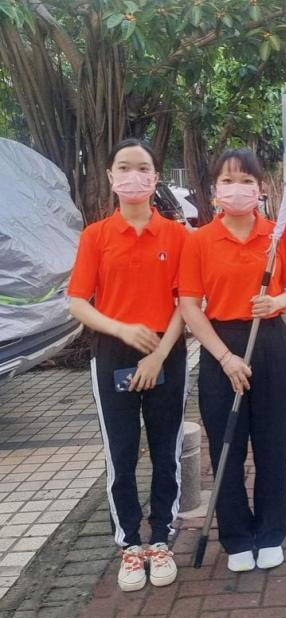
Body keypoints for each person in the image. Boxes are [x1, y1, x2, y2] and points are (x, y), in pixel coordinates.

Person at [178, 149, 286, 572]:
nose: (238, 188)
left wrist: (276, 301)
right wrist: (225, 358)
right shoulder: (199, 240)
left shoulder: (277, 237)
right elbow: (190, 306)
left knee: (272, 444)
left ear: (260, 188)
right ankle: (235, 537)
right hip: (221, 346)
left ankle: (270, 532)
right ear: (215, 190)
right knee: (226, 446)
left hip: (268, 342)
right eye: (228, 180)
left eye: (247, 180)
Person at [68, 138, 188, 591]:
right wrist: (120, 329)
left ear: (155, 177)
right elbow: (78, 301)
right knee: (120, 453)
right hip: (113, 354)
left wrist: (158, 354)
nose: (133, 176)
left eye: (142, 168)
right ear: (110, 176)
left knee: (165, 450)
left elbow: (186, 303)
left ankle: (160, 539)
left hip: (166, 352)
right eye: (124, 167)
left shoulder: (177, 236)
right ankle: (130, 545)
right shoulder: (96, 236)